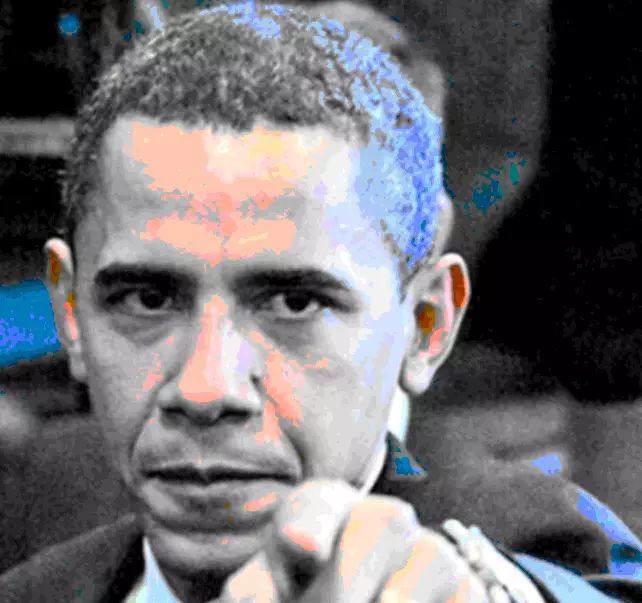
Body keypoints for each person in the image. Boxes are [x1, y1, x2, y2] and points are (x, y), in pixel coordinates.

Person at [1, 3, 640, 601]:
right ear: (70, 311)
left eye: (294, 303)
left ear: (427, 323)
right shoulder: (34, 576)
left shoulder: (534, 538)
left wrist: (489, 590)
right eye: (146, 299)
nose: (207, 387)